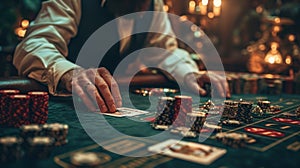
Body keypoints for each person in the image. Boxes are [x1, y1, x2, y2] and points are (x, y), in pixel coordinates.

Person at [13, 0, 230, 112]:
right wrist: (71, 73)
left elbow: (163, 50)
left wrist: (188, 73)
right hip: (64, 105)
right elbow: (34, 45)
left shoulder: (153, 3)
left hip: (112, 107)